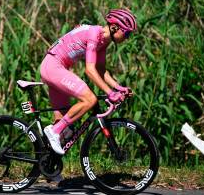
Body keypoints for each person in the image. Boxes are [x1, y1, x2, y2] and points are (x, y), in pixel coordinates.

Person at [40, 9, 136, 155]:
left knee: (64, 129)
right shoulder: (94, 35)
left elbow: (101, 71)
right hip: (53, 66)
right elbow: (90, 70)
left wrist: (118, 87)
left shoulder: (104, 42)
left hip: (57, 67)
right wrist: (110, 93)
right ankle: (53, 131)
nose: (127, 37)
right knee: (89, 99)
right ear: (115, 27)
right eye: (127, 33)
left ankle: (48, 166)